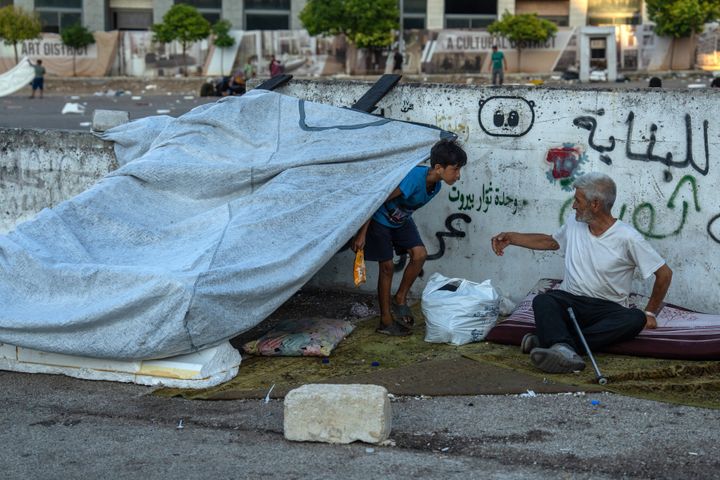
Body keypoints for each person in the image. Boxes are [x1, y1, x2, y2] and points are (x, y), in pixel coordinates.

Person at [491, 172, 672, 373]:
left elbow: (664, 273)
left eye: (577, 200)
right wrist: (512, 238)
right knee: (544, 301)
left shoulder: (628, 237)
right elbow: (551, 242)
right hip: (571, 303)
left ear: (595, 204)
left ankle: (555, 344)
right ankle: (561, 347)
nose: (574, 206)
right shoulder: (573, 222)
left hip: (607, 310)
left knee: (634, 319)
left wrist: (649, 313)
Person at [352, 139, 467, 336]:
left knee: (420, 255)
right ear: (438, 167)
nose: (458, 175)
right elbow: (376, 200)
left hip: (400, 221)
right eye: (455, 169)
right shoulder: (414, 178)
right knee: (387, 268)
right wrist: (361, 234)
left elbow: (405, 209)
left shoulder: (436, 186)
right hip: (379, 220)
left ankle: (400, 298)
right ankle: (385, 321)